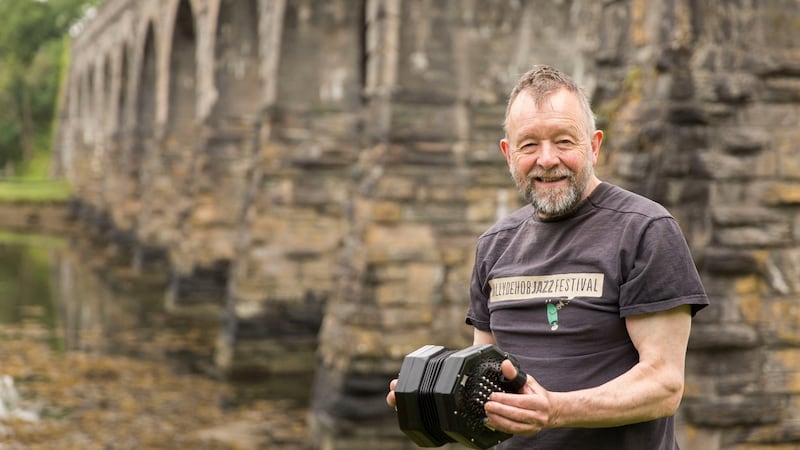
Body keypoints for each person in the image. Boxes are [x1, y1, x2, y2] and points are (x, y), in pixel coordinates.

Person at [386, 65, 709, 449]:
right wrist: (434, 407)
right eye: (529, 145)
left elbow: (663, 385)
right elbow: (486, 379)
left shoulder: (645, 230)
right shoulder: (494, 244)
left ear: (594, 145)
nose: (547, 159)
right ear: (508, 154)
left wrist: (555, 410)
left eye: (564, 141)